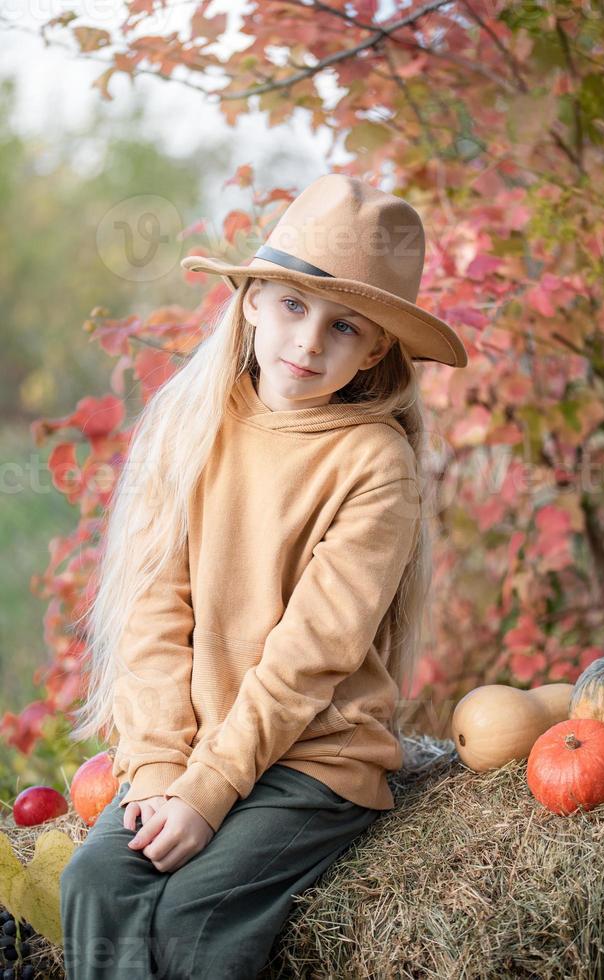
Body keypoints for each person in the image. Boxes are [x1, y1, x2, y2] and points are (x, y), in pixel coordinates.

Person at [59, 172, 468, 979]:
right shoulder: (197, 425)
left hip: (312, 760)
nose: (308, 343)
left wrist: (208, 794)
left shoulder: (373, 463)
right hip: (195, 747)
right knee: (94, 880)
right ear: (249, 301)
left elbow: (309, 655)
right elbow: (152, 612)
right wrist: (158, 769)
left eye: (343, 326)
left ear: (377, 347)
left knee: (193, 920)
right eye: (291, 305)